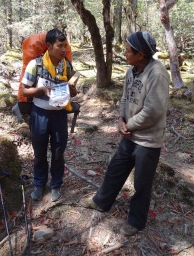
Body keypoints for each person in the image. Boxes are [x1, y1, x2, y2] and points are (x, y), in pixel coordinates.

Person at [80, 31, 170, 236]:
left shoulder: (157, 74)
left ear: (140, 54)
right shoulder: (131, 71)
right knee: (115, 169)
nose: (125, 53)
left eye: (128, 51)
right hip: (129, 134)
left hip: (147, 140)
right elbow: (125, 98)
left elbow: (154, 111)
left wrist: (129, 125)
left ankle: (136, 222)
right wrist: (121, 119)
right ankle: (101, 202)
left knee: (141, 184)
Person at [21, 29, 77, 202]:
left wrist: (72, 89)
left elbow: (72, 91)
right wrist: (41, 90)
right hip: (40, 115)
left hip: (59, 116)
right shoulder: (35, 65)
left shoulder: (66, 65)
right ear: (49, 46)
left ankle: (56, 184)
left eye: (65, 46)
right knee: (39, 153)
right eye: (60, 46)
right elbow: (24, 90)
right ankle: (39, 184)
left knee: (58, 152)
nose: (63, 49)